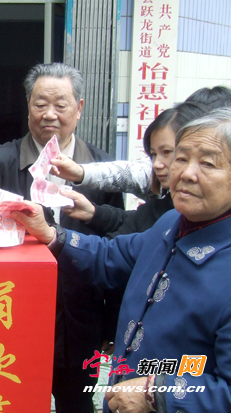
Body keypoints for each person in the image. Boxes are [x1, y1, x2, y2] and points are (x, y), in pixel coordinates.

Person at [12, 107, 231, 412]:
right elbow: (113, 255)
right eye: (181, 158)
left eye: (207, 163)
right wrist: (51, 234)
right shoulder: (170, 223)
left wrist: (157, 394)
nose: (186, 173)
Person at [0, 62, 124, 413]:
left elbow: (116, 247)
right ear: (28, 106)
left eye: (60, 105)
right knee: (12, 401)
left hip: (81, 319)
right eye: (40, 104)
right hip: (12, 316)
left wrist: (113, 325)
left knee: (77, 402)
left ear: (79, 108)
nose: (49, 114)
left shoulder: (101, 170)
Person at [51, 85, 231, 200]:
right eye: (153, 154)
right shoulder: (164, 210)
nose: (189, 174)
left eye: (208, 163)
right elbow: (128, 174)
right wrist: (81, 173)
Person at [59, 102, 209, 238]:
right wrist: (92, 213)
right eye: (153, 154)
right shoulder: (160, 209)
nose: (156, 164)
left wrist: (81, 173)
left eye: (167, 152)